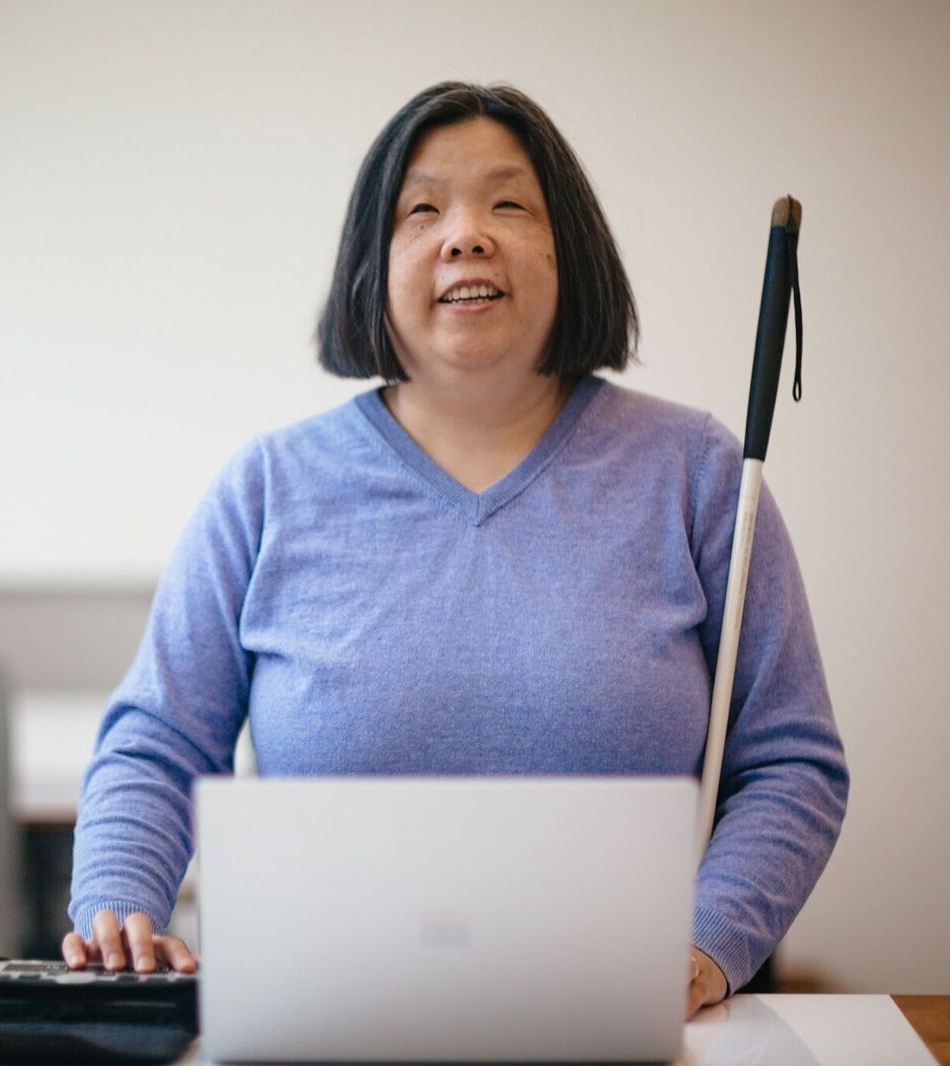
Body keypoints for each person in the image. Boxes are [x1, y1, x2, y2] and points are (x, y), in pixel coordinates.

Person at [64, 82, 848, 1020]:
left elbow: (791, 761)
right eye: (421, 209)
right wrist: (119, 908)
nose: (466, 234)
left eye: (507, 204)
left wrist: (711, 941)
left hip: (617, 1020)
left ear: (572, 248)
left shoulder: (701, 475)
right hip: (319, 1017)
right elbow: (154, 744)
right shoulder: (267, 487)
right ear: (371, 263)